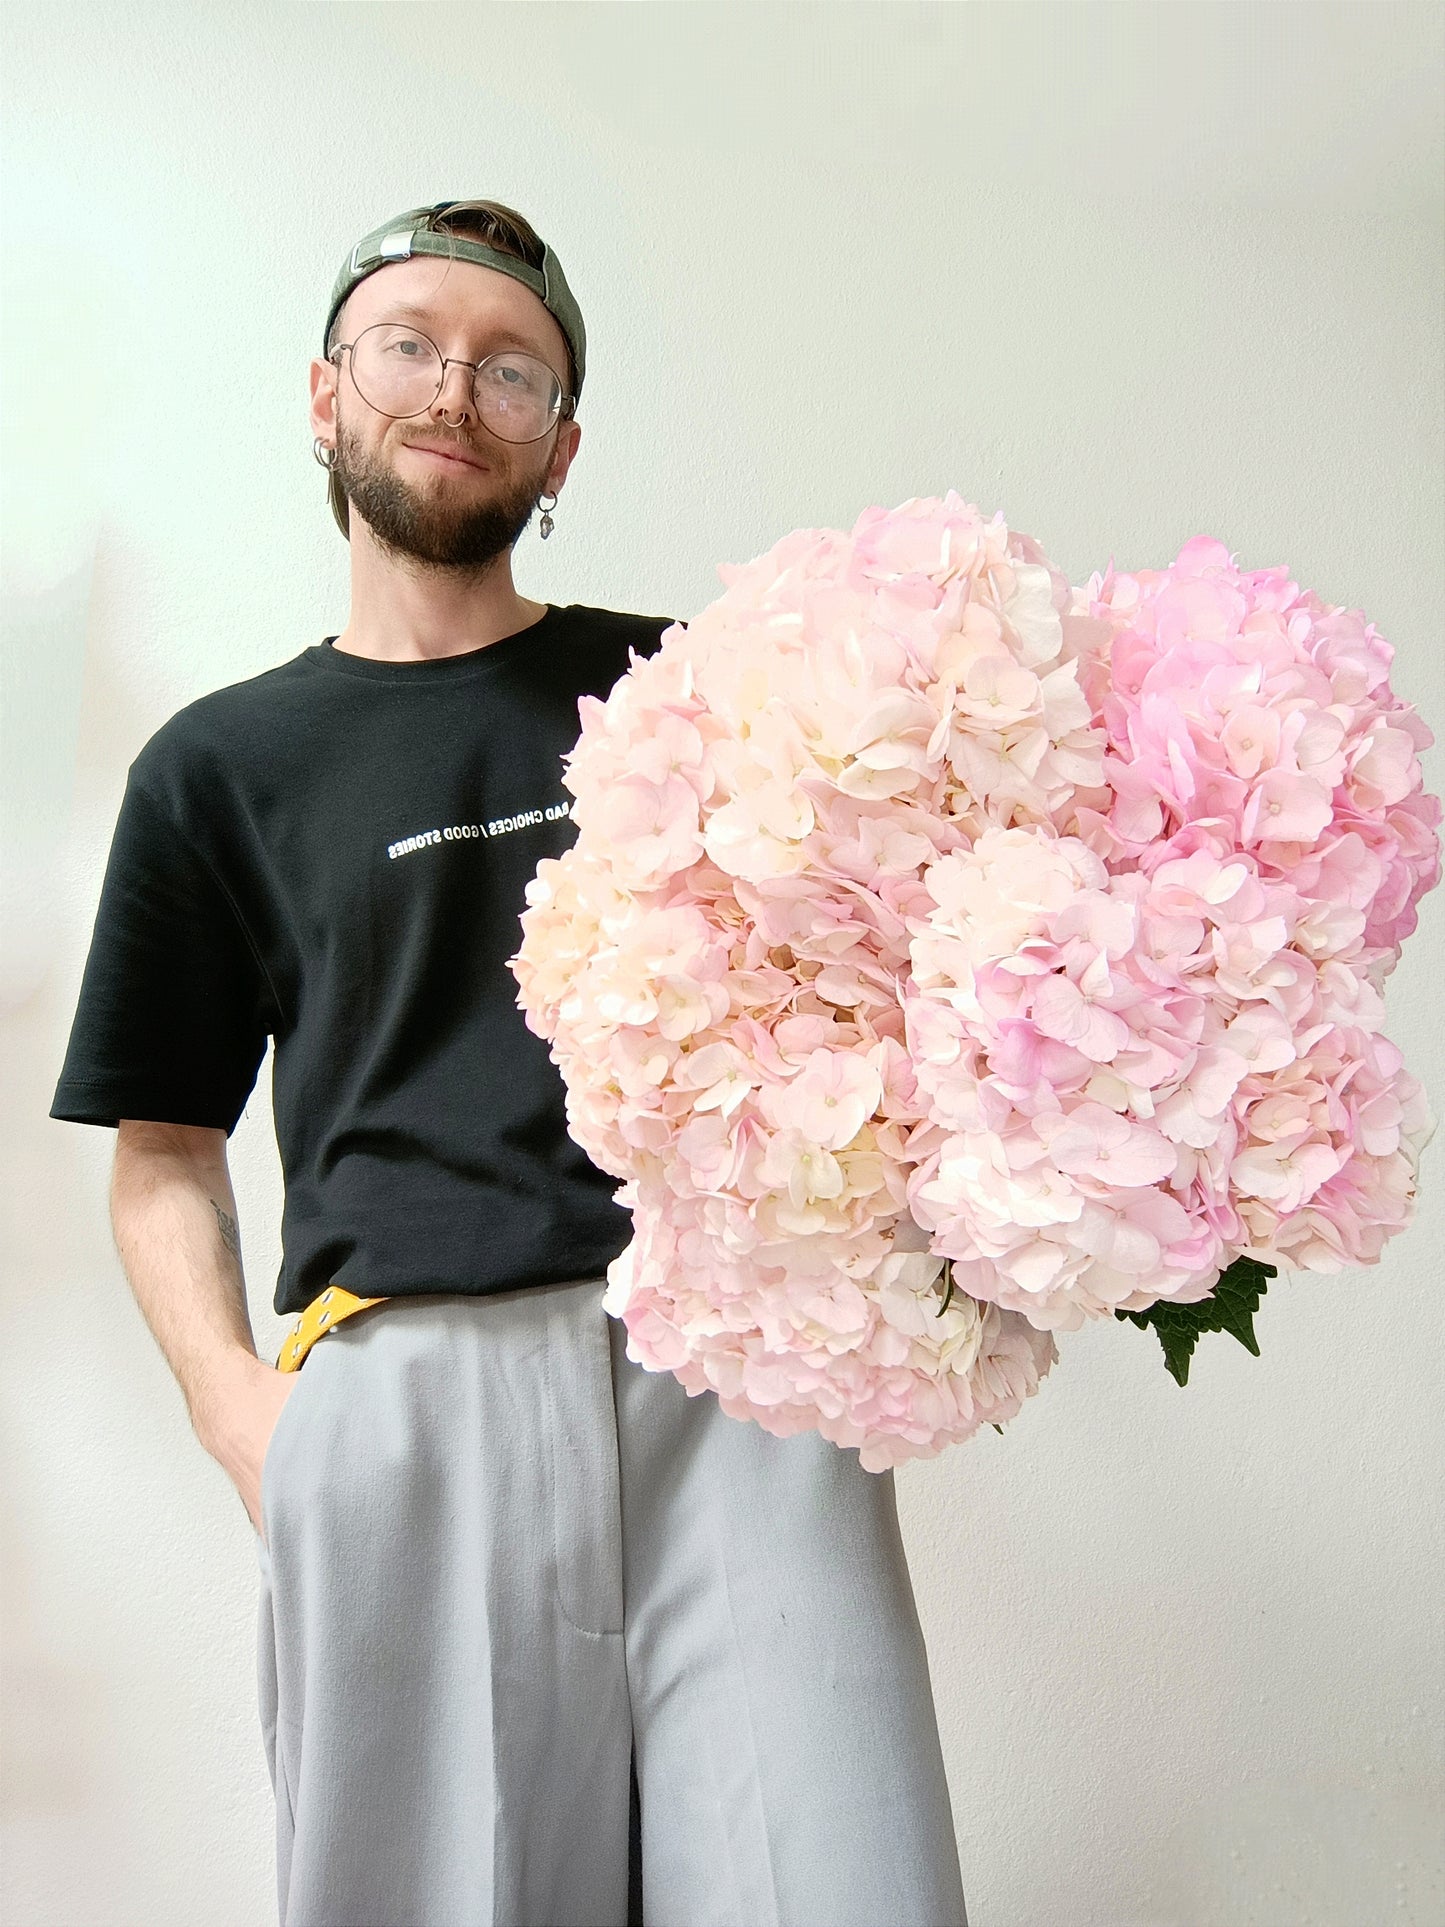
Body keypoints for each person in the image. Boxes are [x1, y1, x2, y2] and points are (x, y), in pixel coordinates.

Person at [48, 197, 970, 1927]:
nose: (456, 390)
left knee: (832, 1879)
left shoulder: (687, 692)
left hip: (729, 1389)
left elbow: (878, 963)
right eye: (410, 346)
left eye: (513, 369)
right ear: (326, 397)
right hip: (406, 1397)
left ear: (559, 448)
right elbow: (161, 1144)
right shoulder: (219, 766)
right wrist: (242, 1417)